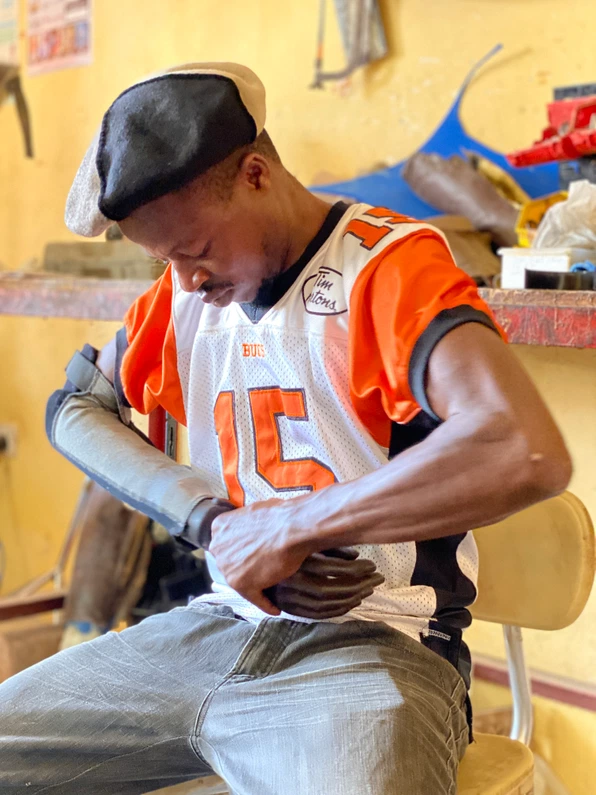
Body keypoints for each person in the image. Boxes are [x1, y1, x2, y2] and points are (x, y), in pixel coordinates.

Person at [0, 63, 571, 795]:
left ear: (257, 175)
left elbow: (520, 445)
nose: (184, 281)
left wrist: (291, 527)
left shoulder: (385, 269)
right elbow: (75, 410)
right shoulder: (182, 296)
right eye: (163, 260)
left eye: (196, 250)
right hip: (209, 633)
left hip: (377, 649)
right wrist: (214, 522)